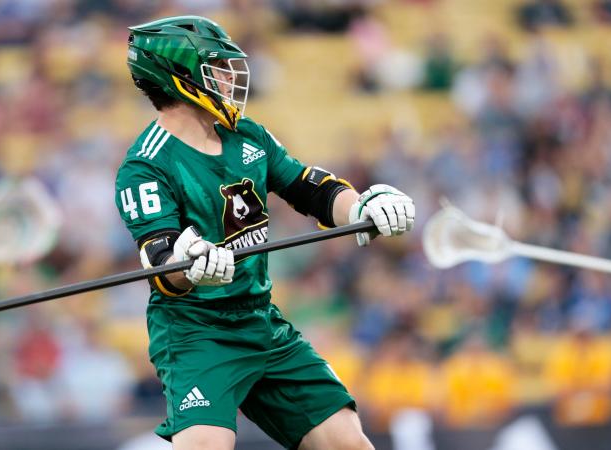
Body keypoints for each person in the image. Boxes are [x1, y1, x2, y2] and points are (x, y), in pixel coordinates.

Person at [115, 16, 415, 450]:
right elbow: (161, 262)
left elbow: (311, 190)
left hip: (260, 321)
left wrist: (362, 207)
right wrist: (191, 263)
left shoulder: (248, 135)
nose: (228, 77)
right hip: (197, 332)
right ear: (178, 76)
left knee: (349, 445)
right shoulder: (145, 166)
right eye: (216, 68)